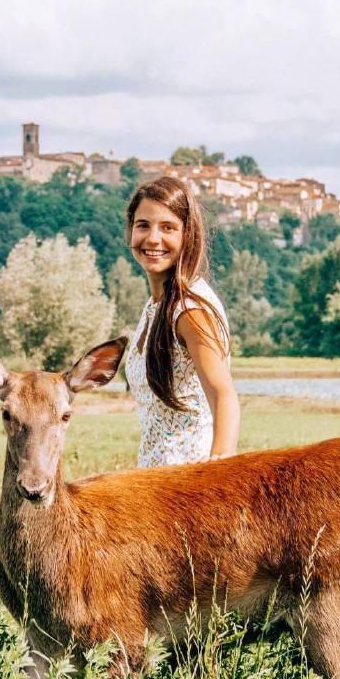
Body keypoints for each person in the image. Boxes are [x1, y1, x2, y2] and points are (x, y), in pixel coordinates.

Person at [124, 175, 240, 468]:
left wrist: (220, 471)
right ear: (130, 231)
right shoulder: (156, 305)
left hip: (189, 482)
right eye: (143, 225)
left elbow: (224, 397)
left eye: (168, 228)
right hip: (156, 480)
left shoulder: (190, 310)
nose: (153, 239)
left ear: (188, 236)